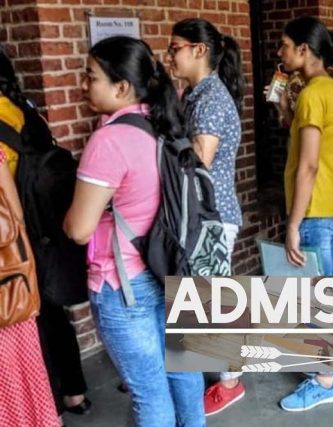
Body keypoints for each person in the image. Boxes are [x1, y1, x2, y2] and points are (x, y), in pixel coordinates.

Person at [63, 36, 204, 427]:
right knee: (183, 370)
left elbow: (79, 229)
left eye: (91, 77)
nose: (84, 85)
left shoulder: (109, 140)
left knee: (149, 393)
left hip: (123, 282)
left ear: (121, 86)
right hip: (169, 266)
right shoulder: (163, 125)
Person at [168, 17, 247, 416]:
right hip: (203, 216)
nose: (170, 56)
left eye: (175, 48)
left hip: (211, 218)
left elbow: (199, 160)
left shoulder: (211, 98)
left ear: (199, 50)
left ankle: (230, 382)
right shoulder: (196, 94)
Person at [271, 16, 333, 412]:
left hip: (313, 209)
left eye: (285, 46)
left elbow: (308, 165)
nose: (280, 53)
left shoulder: (313, 94)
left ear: (304, 49)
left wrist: (293, 224)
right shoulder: (330, 87)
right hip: (329, 202)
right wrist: (284, 106)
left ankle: (324, 381)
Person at [0, 45, 61, 427]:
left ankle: (224, 379)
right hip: (22, 243)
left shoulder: (116, 138)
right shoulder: (24, 109)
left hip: (15, 246)